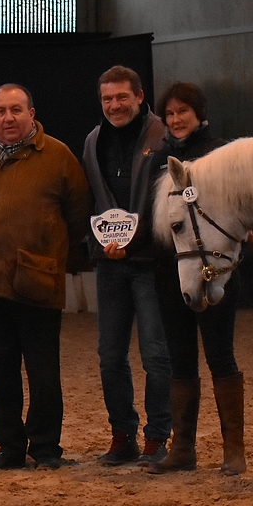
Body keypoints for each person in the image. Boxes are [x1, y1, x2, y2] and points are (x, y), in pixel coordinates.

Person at [0, 83, 90, 471]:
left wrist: (48, 251)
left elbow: (78, 214)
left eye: (16, 110)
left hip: (38, 283)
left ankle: (46, 446)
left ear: (32, 113)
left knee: (43, 372)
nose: (8, 118)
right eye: (0, 111)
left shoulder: (59, 157)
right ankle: (10, 446)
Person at [146, 82, 253, 476]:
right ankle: (183, 449)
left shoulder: (222, 153)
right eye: (170, 114)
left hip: (215, 270)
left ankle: (234, 449)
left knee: (220, 355)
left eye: (183, 112)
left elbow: (247, 205)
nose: (176, 120)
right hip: (169, 272)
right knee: (179, 360)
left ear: (199, 113)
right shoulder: (158, 159)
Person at [82, 65, 172, 467]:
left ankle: (157, 438)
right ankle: (122, 435)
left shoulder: (163, 137)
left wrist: (137, 241)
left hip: (153, 262)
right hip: (111, 264)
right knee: (110, 355)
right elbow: (92, 199)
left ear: (139, 96)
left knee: (156, 354)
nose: (114, 106)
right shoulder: (92, 142)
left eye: (121, 97)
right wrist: (100, 243)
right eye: (107, 99)